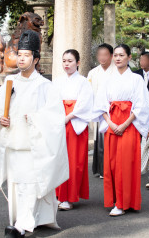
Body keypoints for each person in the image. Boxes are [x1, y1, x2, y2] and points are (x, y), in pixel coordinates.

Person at [0, 30, 69, 238]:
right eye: (19, 54)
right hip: (13, 142)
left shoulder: (45, 87)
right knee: (18, 186)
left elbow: (55, 117)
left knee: (30, 184)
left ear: (36, 59)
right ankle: (30, 219)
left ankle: (23, 225)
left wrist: (33, 118)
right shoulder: (9, 84)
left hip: (34, 144)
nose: (21, 58)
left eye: (26, 55)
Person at [93, 44, 149, 216]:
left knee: (127, 164)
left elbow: (141, 105)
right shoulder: (107, 80)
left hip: (129, 125)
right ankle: (117, 201)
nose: (118, 58)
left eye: (122, 55)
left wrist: (125, 124)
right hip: (112, 124)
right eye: (116, 55)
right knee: (112, 164)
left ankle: (127, 201)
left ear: (129, 57)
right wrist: (111, 123)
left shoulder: (136, 80)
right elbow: (101, 105)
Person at [54, 49, 93, 211]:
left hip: (75, 124)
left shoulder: (84, 82)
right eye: (64, 61)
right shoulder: (56, 82)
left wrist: (68, 117)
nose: (66, 64)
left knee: (74, 162)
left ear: (78, 63)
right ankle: (58, 194)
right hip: (59, 123)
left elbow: (84, 104)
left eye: (70, 61)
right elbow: (52, 103)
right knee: (58, 160)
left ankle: (69, 197)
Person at [87, 43, 116, 178]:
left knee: (110, 140)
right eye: (100, 55)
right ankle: (100, 169)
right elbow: (89, 93)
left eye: (105, 55)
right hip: (97, 110)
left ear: (111, 56)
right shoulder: (93, 72)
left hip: (112, 111)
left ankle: (111, 168)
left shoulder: (116, 71)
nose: (102, 58)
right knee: (98, 140)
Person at [134, 51, 149, 115]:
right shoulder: (135, 74)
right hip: (139, 107)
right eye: (140, 60)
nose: (141, 62)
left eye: (144, 60)